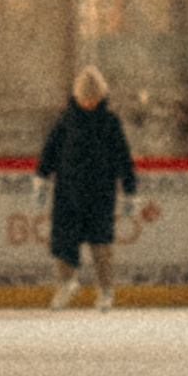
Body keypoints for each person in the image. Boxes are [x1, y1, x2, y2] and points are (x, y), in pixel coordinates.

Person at [37, 66, 139, 310]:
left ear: (101, 98)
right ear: (77, 98)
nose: (89, 104)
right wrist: (41, 177)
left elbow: (123, 158)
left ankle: (105, 290)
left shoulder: (110, 122)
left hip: (100, 194)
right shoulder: (66, 120)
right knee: (62, 242)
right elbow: (50, 150)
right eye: (85, 99)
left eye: (93, 99)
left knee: (101, 245)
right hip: (67, 192)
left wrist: (130, 191)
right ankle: (67, 283)